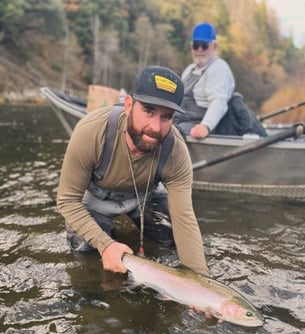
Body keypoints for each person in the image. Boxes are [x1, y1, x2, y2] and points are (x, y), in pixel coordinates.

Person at [57, 65, 209, 277]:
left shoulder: (176, 152)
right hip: (96, 201)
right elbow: (67, 200)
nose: (155, 127)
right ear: (129, 105)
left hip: (144, 196)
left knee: (174, 236)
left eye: (166, 117)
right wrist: (106, 245)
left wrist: (200, 281)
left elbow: (184, 217)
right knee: (86, 253)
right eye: (148, 111)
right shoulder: (91, 132)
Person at [175, 22, 266, 138]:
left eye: (204, 45)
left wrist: (206, 126)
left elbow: (219, 101)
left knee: (171, 134)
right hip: (182, 122)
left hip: (204, 125)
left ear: (214, 46)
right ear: (191, 46)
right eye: (196, 45)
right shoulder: (189, 70)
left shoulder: (218, 68)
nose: (199, 50)